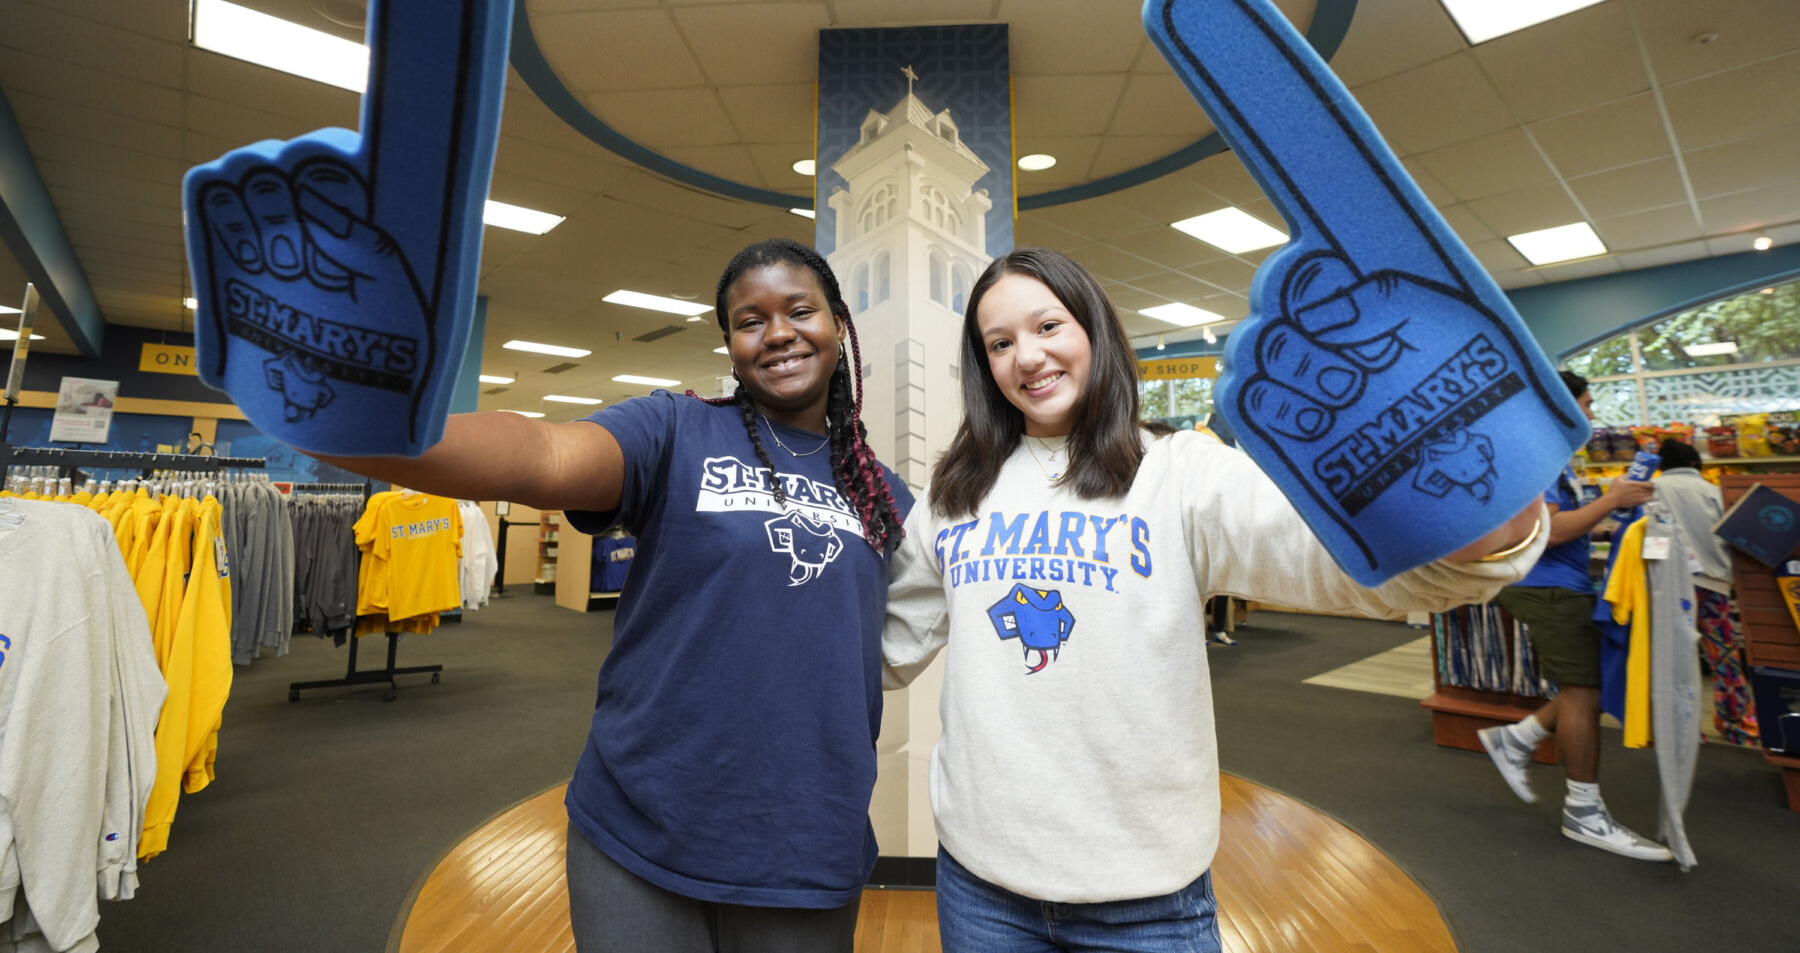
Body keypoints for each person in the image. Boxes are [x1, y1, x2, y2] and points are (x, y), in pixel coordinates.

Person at [882, 248, 1549, 952]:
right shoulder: (955, 497)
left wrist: (1485, 520)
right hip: (983, 879)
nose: (1027, 356)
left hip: (1145, 896)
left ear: (1095, 332)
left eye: (1049, 326)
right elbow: (881, 645)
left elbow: (1347, 568)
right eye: (1000, 342)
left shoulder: (1179, 472)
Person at [305, 238, 911, 952]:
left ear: (839, 324)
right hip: (640, 824)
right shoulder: (677, 430)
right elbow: (542, 454)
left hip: (804, 840)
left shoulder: (884, 496)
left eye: (799, 310)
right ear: (731, 344)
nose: (776, 332)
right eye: (750, 321)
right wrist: (341, 418)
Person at [1476, 370, 1670, 861]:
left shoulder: (1557, 458)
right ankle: (1583, 812)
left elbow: (1566, 526)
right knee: (1584, 690)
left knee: (1590, 683)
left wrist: (1612, 512)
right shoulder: (1536, 457)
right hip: (1545, 588)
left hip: (1563, 584)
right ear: (1560, 404)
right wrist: (1611, 500)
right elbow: (1550, 531)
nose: (1592, 412)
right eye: (1586, 402)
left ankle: (1517, 737)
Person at [1654, 437, 1759, 745]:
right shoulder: (1714, 492)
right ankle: (1739, 728)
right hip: (1712, 586)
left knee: (1675, 660)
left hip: (1670, 589)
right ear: (1694, 465)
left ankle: (1683, 729)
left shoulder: (1652, 491)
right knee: (1724, 657)